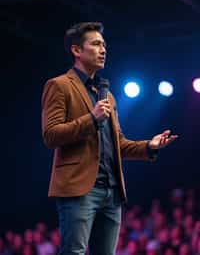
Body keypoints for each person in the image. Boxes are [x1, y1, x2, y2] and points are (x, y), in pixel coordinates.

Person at [41, 22, 178, 255]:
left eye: (104, 45)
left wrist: (149, 146)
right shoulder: (59, 85)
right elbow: (51, 135)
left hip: (112, 191)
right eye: (96, 44)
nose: (103, 49)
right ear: (76, 50)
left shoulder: (108, 95)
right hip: (79, 189)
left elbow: (118, 144)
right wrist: (91, 119)